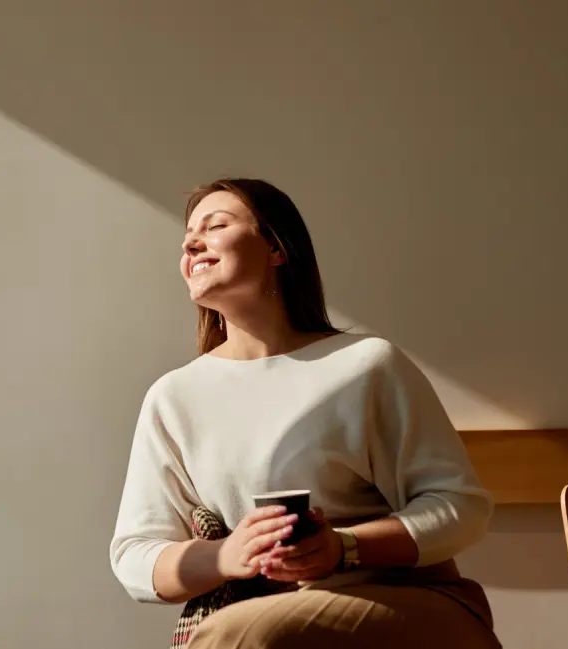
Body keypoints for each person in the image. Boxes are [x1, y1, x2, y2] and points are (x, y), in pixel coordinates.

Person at [109, 178, 501, 648]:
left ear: (277, 248)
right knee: (248, 630)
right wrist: (222, 557)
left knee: (243, 634)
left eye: (215, 226)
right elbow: (135, 555)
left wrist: (344, 548)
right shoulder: (173, 398)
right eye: (188, 236)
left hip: (412, 604)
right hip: (261, 618)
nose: (192, 242)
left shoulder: (366, 366)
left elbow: (461, 507)